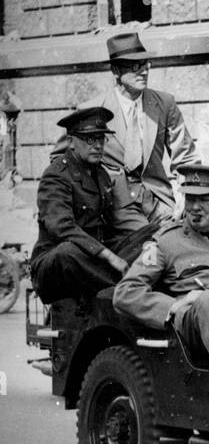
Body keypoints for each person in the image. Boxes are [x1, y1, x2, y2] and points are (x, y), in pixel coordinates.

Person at [113, 163, 209, 375]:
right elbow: (126, 293)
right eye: (190, 199)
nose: (194, 207)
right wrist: (174, 305)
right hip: (202, 323)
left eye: (204, 199)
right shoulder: (167, 241)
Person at [30, 107, 158, 305]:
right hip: (56, 265)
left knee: (153, 232)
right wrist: (110, 257)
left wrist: (132, 244)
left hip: (94, 259)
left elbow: (108, 224)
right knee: (68, 252)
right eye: (90, 139)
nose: (98, 145)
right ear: (71, 142)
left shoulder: (100, 174)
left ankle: (130, 284)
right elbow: (62, 228)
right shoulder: (55, 175)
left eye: (101, 139)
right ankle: (128, 291)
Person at [91, 32, 196, 224]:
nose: (144, 71)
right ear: (115, 71)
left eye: (146, 64)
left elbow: (186, 157)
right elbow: (64, 160)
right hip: (112, 205)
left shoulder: (164, 103)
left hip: (159, 201)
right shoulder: (94, 110)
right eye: (134, 66)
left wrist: (186, 194)